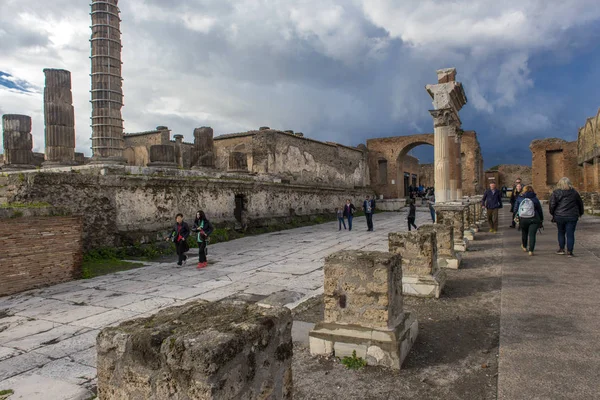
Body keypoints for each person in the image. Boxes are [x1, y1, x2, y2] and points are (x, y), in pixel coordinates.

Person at [549, 177, 584, 257]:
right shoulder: (574, 193)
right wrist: (580, 213)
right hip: (572, 216)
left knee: (561, 232)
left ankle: (561, 249)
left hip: (559, 215)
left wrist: (553, 213)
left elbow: (552, 205)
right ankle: (570, 251)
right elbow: (580, 203)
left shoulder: (556, 192)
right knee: (570, 234)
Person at [514, 185, 544, 256]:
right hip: (534, 218)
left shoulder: (520, 198)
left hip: (523, 218)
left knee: (524, 233)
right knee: (532, 235)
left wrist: (516, 216)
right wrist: (541, 219)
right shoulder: (535, 198)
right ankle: (531, 250)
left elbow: (515, 209)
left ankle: (524, 246)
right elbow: (539, 210)